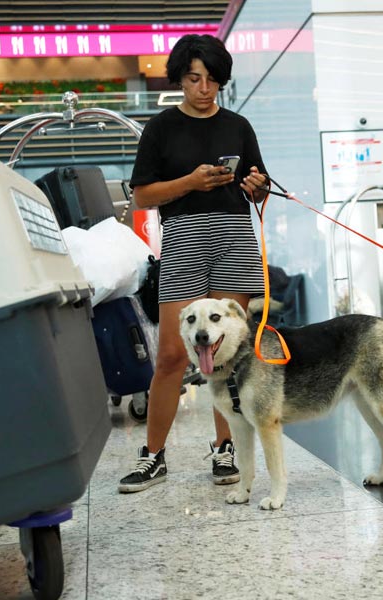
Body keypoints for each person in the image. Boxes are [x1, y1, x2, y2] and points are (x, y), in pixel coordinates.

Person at [118, 34, 270, 493]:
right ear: (180, 79)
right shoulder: (161, 128)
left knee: (226, 352)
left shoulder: (238, 125)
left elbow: (258, 188)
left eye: (212, 81)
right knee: (170, 354)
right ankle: (153, 455)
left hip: (233, 235)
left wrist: (256, 185)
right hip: (184, 236)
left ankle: (225, 448)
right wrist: (189, 181)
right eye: (194, 79)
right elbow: (143, 195)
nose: (204, 89)